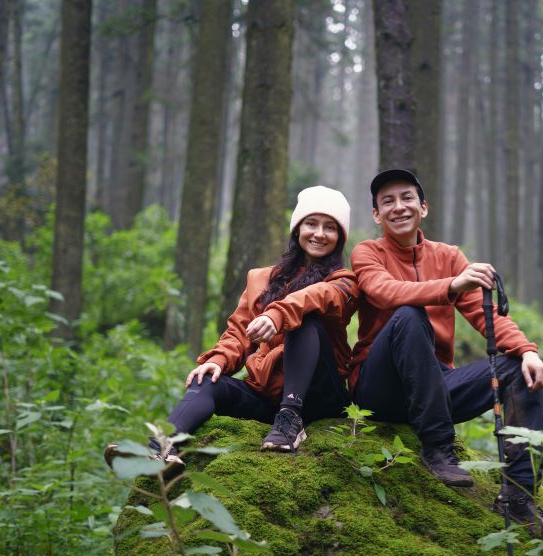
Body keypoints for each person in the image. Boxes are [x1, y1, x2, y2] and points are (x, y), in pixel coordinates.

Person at [349, 169, 543, 529]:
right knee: (408, 314)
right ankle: (438, 447)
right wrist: (451, 285)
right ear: (377, 215)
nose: (399, 207)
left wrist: (528, 351)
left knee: (519, 367)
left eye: (407, 198)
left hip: (434, 386)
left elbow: (485, 316)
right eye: (388, 202)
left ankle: (519, 496)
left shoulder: (448, 255)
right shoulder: (368, 252)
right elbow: (384, 292)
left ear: (423, 207)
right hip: (379, 389)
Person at [105, 186, 358, 469]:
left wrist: (277, 315)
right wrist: (218, 360)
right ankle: (160, 450)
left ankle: (292, 418)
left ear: (339, 238)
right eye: (311, 223)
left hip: (320, 396)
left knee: (305, 316)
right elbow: (239, 333)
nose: (319, 234)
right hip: (268, 397)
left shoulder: (345, 281)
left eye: (330, 228)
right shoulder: (261, 279)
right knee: (208, 379)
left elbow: (319, 297)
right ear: (297, 229)